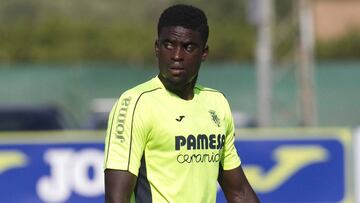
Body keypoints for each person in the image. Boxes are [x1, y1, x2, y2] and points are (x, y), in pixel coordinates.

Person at [104, 4, 259, 203]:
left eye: (188, 47)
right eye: (168, 45)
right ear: (156, 48)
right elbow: (116, 198)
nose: (176, 56)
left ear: (204, 53)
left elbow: (239, 192)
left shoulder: (216, 103)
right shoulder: (135, 103)